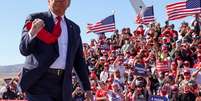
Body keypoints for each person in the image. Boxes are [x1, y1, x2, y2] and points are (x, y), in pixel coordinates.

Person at [19, 0, 93, 101]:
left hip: (63, 84)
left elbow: (79, 61)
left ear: (68, 3)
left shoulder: (74, 28)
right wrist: (32, 32)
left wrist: (87, 88)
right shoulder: (35, 18)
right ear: (48, 2)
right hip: (38, 82)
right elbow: (24, 49)